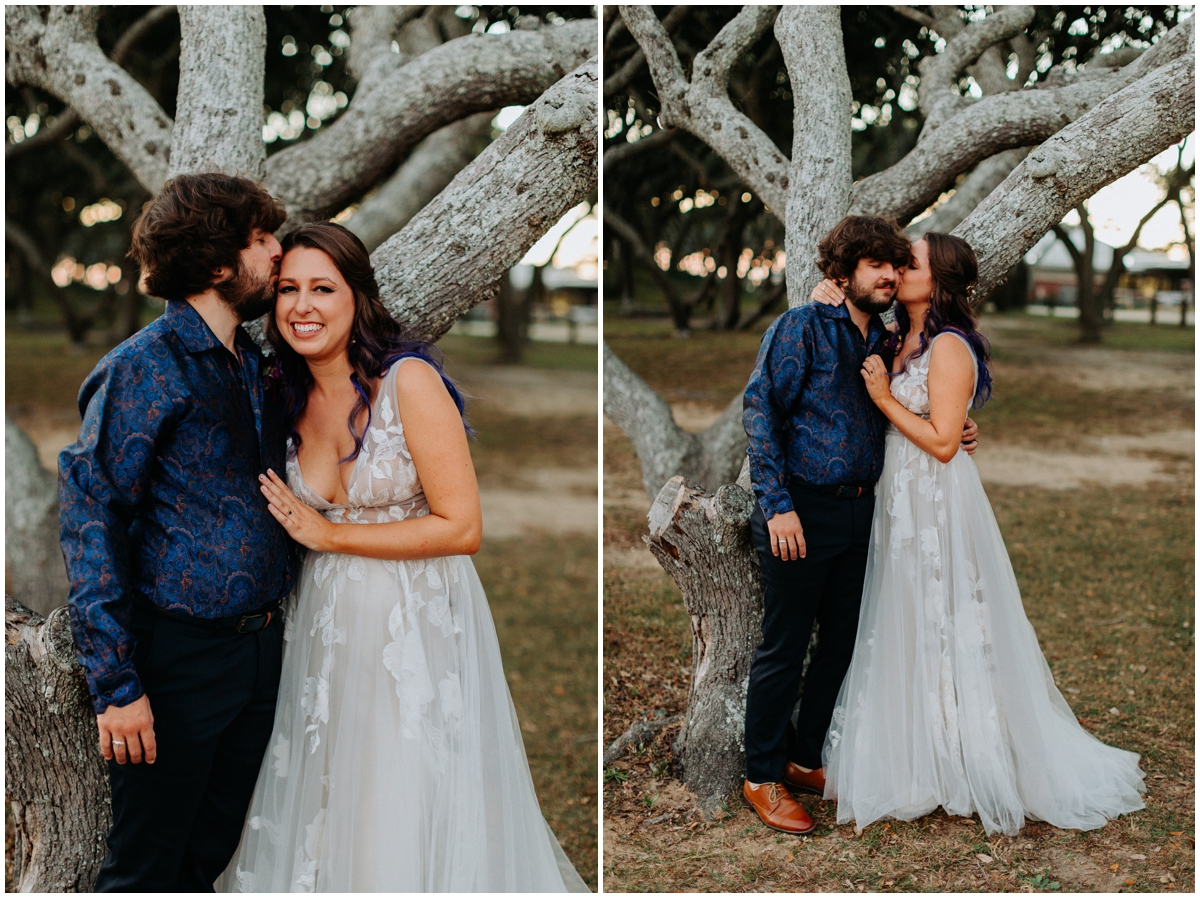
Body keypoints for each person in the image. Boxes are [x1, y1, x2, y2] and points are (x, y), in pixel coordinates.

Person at [217, 222, 587, 892]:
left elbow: (461, 525)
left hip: (411, 627)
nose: (302, 306)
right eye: (288, 290)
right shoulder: (278, 395)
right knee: (327, 786)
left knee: (403, 787)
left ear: (358, 297)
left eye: (322, 288)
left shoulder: (408, 382)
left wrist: (329, 536)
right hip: (321, 627)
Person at [819, 232, 1146, 835]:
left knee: (948, 618)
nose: (895, 269)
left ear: (937, 279)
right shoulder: (896, 339)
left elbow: (944, 443)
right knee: (906, 617)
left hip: (934, 498)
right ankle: (921, 749)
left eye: (907, 262)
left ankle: (968, 751)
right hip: (897, 497)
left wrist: (883, 397)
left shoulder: (948, 346)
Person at [59, 172, 292, 891]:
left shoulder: (249, 361)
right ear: (220, 263)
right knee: (145, 869)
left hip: (258, 652)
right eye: (261, 240)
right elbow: (91, 515)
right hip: (178, 660)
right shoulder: (141, 369)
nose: (279, 251)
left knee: (206, 858)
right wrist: (117, 684)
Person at [740, 216, 979, 834]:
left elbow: (922, 404)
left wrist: (961, 428)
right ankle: (761, 774)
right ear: (841, 274)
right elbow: (761, 411)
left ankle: (804, 757)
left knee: (841, 642)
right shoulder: (802, 328)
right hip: (803, 508)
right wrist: (777, 504)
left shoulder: (889, 338)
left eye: (896, 265)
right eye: (875, 265)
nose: (889, 275)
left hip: (866, 510)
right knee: (785, 645)